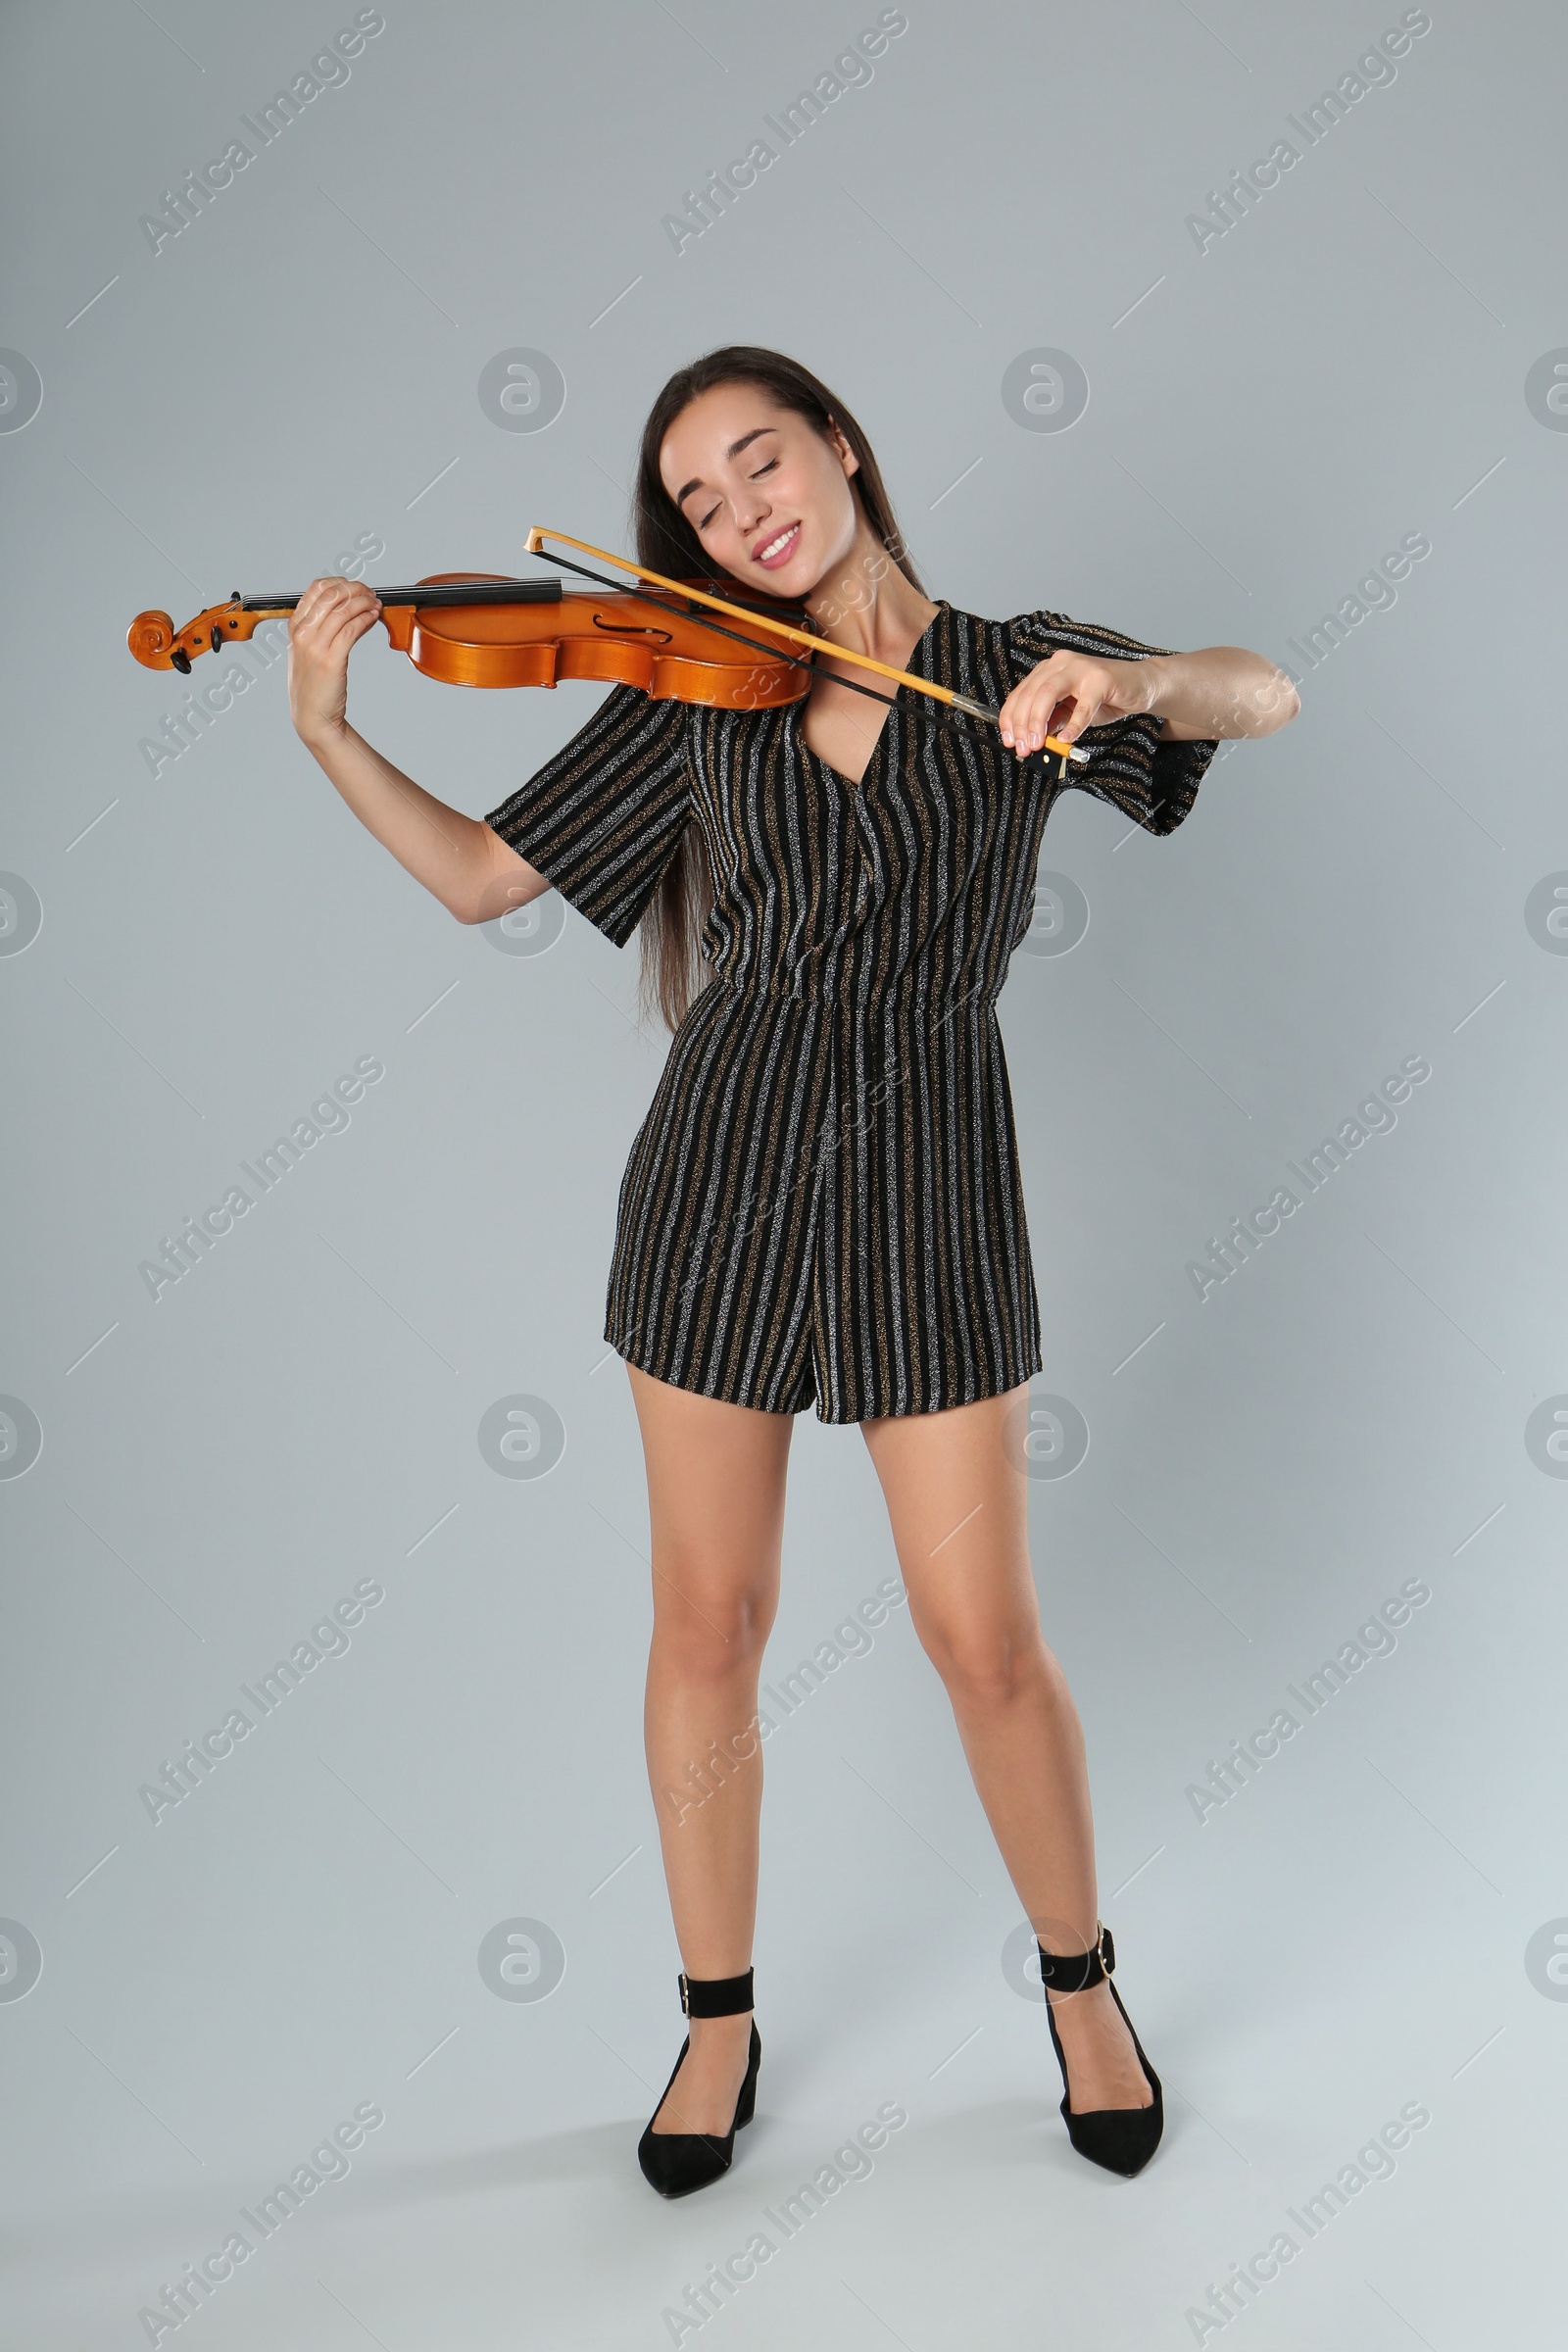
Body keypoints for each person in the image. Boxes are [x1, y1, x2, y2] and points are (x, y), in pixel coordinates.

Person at [286, 345, 1299, 2197]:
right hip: (721, 1169)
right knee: (708, 1626)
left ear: (840, 444)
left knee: (984, 1644)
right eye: (698, 499)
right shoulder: (692, 693)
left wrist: (1133, 678)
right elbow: (480, 882)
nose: (741, 509)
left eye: (761, 459)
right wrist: (337, 730)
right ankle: (717, 2024)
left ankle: (1081, 1992)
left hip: (931, 1167)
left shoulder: (1019, 669)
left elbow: (1266, 692)